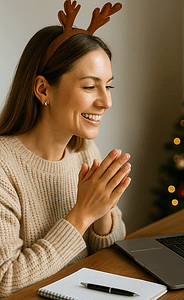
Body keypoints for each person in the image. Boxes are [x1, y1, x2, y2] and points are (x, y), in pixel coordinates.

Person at [0, 1, 130, 297]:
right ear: (43, 89)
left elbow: (109, 249)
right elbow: (5, 281)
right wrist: (83, 214)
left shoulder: (84, 151)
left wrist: (103, 210)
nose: (106, 102)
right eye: (89, 87)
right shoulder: (3, 167)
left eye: (108, 86)